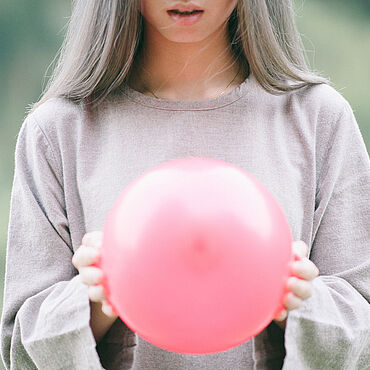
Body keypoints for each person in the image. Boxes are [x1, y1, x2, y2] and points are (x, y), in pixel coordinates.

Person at [0, 0, 369, 369]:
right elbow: (18, 343)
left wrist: (296, 298)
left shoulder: (320, 119)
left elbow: (362, 317)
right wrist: (96, 298)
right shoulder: (56, 132)